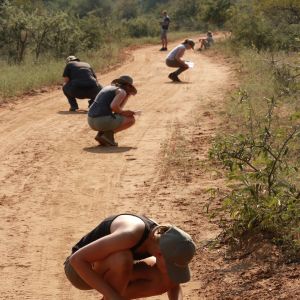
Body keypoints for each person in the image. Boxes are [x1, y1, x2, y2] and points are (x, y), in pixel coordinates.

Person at [64, 213, 196, 300]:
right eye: (171, 265)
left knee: (168, 278)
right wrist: (114, 297)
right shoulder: (131, 234)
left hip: (108, 271)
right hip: (79, 271)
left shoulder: (163, 239)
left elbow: (174, 284)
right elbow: (76, 259)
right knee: (122, 258)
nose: (172, 269)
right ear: (160, 254)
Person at [87, 75, 137, 147]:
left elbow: (116, 110)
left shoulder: (107, 88)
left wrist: (126, 98)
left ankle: (101, 135)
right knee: (131, 119)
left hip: (90, 120)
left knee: (117, 116)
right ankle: (106, 136)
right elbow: (114, 106)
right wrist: (124, 112)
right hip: (101, 121)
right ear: (128, 86)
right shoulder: (121, 91)